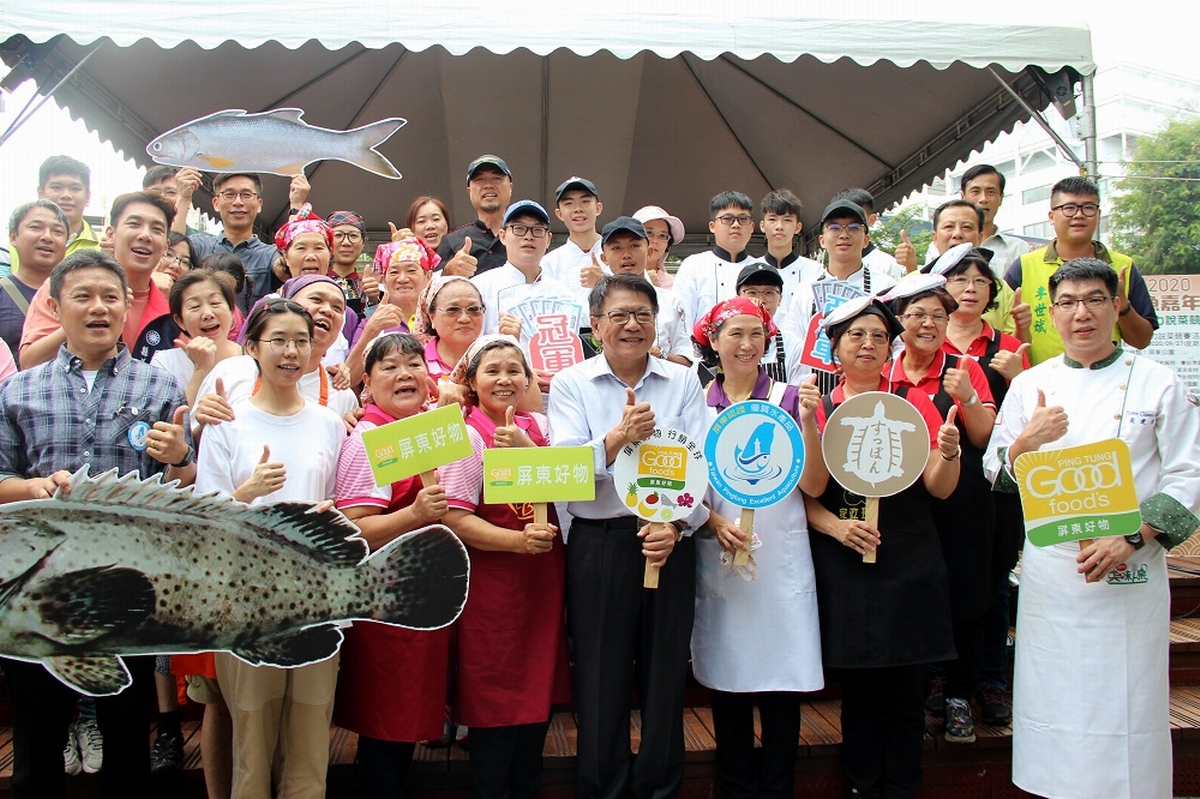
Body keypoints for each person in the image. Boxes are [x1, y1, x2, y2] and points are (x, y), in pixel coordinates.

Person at [984, 257, 1200, 799]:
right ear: (1051, 314)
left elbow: (1188, 474)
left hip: (1129, 569)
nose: (1081, 313)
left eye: (1094, 300)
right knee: (1054, 697)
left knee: (1124, 699)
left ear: (1115, 305)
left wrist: (1130, 537)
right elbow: (997, 475)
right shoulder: (1031, 384)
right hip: (1053, 574)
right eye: (1068, 303)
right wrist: (1025, 443)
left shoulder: (1158, 382)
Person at [0, 249, 195, 799]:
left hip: (127, 587)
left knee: (127, 738)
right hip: (39, 594)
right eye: (83, 296)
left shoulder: (157, 389)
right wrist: (32, 489)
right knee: (37, 737)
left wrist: (180, 454)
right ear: (56, 306)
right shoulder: (20, 390)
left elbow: (185, 485)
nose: (99, 308)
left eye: (111, 296)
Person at [547, 272, 711, 799]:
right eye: (618, 315)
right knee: (600, 675)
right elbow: (564, 468)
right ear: (596, 326)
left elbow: (698, 461)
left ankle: (661, 788)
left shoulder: (683, 381)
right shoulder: (571, 383)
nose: (632, 325)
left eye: (642, 314)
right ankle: (603, 787)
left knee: (665, 674)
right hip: (600, 544)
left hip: (666, 540)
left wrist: (675, 524)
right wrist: (618, 438)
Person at [802, 294, 960, 798]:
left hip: (909, 559)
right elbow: (809, 491)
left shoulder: (914, 406)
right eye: (856, 336)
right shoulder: (821, 408)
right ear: (835, 349)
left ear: (891, 348)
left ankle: (903, 787)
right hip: (848, 561)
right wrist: (837, 529)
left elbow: (939, 487)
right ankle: (862, 786)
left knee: (907, 693)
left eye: (877, 336)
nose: (868, 345)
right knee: (860, 694)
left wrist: (950, 454)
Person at [194, 297, 345, 799]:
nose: (290, 351)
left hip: (316, 601)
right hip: (247, 602)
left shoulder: (328, 422)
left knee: (309, 744)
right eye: (277, 340)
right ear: (253, 347)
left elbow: (342, 505)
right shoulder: (226, 424)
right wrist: (247, 493)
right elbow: (205, 523)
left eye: (301, 341)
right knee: (252, 747)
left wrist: (333, 518)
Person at [690, 297, 824, 799]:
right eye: (734, 334)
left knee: (781, 681)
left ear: (768, 341)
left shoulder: (792, 399)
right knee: (728, 682)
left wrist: (810, 424)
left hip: (781, 557)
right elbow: (687, 486)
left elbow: (813, 486)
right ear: (712, 341)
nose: (746, 344)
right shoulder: (696, 404)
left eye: (755, 334)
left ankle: (778, 788)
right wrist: (711, 521)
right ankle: (737, 787)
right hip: (720, 550)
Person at [439, 335, 571, 799]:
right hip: (491, 593)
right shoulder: (465, 435)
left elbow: (576, 483)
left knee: (537, 702)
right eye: (492, 370)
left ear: (530, 380)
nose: (504, 378)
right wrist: (517, 541)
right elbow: (454, 518)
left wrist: (527, 452)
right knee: (494, 704)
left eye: (515, 369)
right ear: (472, 382)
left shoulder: (545, 426)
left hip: (543, 588)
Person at [331, 333, 454, 799]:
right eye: (389, 367)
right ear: (367, 384)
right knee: (386, 721)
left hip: (427, 595)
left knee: (406, 718)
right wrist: (414, 515)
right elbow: (352, 527)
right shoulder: (369, 440)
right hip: (386, 602)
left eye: (414, 364)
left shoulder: (435, 429)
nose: (405, 374)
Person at [880, 273, 997, 745]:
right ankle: (923, 684)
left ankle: (959, 696)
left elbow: (984, 437)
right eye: (916, 315)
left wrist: (967, 397)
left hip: (962, 502)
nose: (927, 324)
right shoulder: (884, 371)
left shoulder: (965, 367)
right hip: (906, 506)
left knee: (965, 596)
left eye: (937, 315)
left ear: (950, 321)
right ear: (900, 322)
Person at [924, 244, 1029, 728]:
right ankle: (943, 676)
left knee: (992, 579)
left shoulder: (1006, 347)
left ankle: (989, 678)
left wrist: (1017, 373)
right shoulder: (925, 349)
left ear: (991, 294)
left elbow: (1010, 422)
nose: (969, 288)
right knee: (945, 578)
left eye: (979, 282)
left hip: (995, 485)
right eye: (958, 280)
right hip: (940, 483)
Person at [1004, 176, 1158, 364]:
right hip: (1041, 383)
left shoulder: (1122, 267)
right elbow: (1002, 336)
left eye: (1088, 208)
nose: (1079, 215)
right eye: (1069, 208)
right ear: (1051, 216)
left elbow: (1142, 341)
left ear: (1098, 215)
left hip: (1105, 381)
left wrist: (1123, 305)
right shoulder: (1023, 267)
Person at [21, 191, 180, 369]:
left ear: (166, 246)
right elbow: (30, 363)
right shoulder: (63, 287)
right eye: (134, 224)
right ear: (111, 234)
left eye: (156, 229)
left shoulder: (173, 310)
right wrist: (76, 318)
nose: (145, 235)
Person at [193, 274, 360, 439]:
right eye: (316, 299)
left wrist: (345, 436)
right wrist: (203, 425)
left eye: (337, 308)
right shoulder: (232, 372)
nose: (327, 310)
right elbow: (192, 450)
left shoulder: (341, 394)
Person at [781, 200, 896, 394]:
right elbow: (795, 346)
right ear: (822, 240)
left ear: (866, 239)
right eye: (834, 227)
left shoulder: (885, 287)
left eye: (853, 227)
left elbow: (897, 345)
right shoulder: (806, 290)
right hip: (817, 390)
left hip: (872, 389)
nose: (844, 234)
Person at [180, 171, 310, 309]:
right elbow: (171, 251)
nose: (238, 202)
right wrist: (183, 197)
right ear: (216, 203)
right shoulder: (199, 244)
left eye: (246, 195)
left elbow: (292, 266)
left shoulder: (270, 254)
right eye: (229, 195)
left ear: (259, 204)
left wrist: (296, 205)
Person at [598, 216, 691, 366]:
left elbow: (688, 360)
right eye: (616, 248)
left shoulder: (672, 301)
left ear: (649, 251)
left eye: (634, 246)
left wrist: (661, 356)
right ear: (604, 258)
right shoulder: (593, 304)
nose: (626, 254)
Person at [472, 200, 571, 337]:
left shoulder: (563, 295)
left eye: (537, 230)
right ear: (503, 236)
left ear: (548, 239)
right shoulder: (480, 288)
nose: (528, 237)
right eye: (519, 229)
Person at [346, 237, 438, 382]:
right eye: (394, 272)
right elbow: (350, 378)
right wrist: (372, 329)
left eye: (411, 270)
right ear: (384, 281)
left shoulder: (441, 318)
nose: (402, 278)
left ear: (428, 276)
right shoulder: (370, 323)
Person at [151, 268, 243, 404]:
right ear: (180, 321)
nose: (208, 314)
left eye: (215, 303)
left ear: (231, 311)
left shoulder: (251, 359)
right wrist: (200, 369)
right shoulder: (165, 363)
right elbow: (171, 420)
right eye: (195, 307)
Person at [673, 190, 763, 328]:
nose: (736, 225)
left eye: (743, 219)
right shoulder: (694, 265)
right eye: (727, 219)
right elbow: (682, 319)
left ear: (752, 227)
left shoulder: (761, 269)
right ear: (712, 226)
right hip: (700, 348)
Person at [8, 156, 100, 277]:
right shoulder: (9, 244)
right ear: (41, 193)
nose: (66, 195)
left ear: (88, 197)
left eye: (75, 188)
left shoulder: (103, 250)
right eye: (57, 187)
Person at [2, 199, 68, 354]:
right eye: (36, 228)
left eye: (57, 231)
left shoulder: (82, 295)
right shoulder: (2, 291)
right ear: (13, 237)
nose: (47, 237)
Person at [437, 155, 514, 277]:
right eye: (479, 180)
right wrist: (448, 272)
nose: (488, 185)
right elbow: (432, 289)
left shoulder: (526, 236)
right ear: (469, 191)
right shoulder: (451, 241)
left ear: (510, 187)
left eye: (496, 178)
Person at [757, 189, 822, 330]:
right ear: (762, 225)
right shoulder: (752, 268)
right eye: (773, 219)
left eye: (787, 220)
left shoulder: (815, 271)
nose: (779, 226)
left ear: (798, 227)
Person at [734, 263, 806, 385]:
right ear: (737, 298)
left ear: (780, 299)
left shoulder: (794, 347)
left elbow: (798, 395)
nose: (761, 300)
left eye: (769, 292)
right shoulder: (726, 342)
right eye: (752, 292)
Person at [540, 176, 605, 305]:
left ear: (598, 208)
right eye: (569, 203)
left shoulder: (618, 254)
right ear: (559, 214)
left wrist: (605, 282)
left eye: (585, 201)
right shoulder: (549, 263)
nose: (578, 209)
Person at [415, 275, 485, 383]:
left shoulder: (493, 359)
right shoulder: (415, 362)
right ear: (432, 317)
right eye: (452, 310)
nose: (464, 319)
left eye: (473, 309)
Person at [831, 188, 904, 281]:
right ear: (822, 240)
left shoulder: (887, 267)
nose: (844, 233)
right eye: (837, 225)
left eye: (854, 223)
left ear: (871, 220)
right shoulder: (821, 273)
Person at [326, 209, 379, 316]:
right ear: (327, 241)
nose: (346, 242)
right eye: (338, 235)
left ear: (363, 243)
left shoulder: (371, 286)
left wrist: (373, 300)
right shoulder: (316, 281)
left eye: (353, 236)